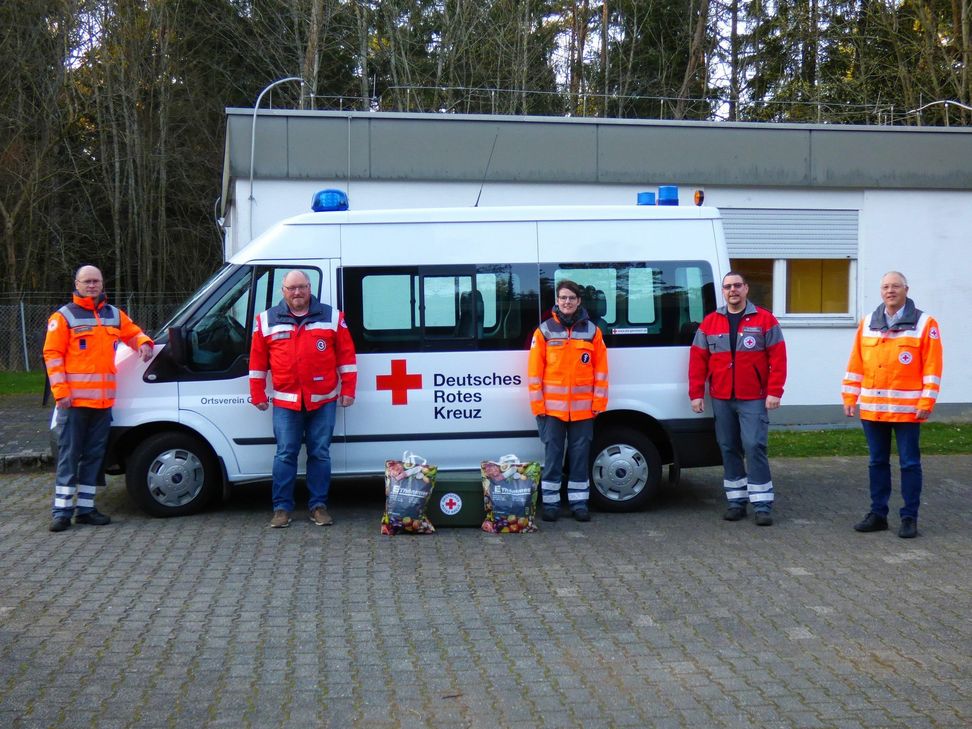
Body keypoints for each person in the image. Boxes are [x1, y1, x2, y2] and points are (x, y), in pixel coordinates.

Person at [43, 265, 154, 532]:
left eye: (96, 281)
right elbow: (52, 355)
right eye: (87, 281)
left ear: (102, 284)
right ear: (77, 284)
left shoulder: (113, 315)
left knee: (94, 458)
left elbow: (132, 332)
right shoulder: (64, 317)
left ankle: (86, 509)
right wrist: (61, 394)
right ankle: (61, 511)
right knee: (70, 458)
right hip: (74, 404)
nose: (92, 286)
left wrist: (144, 343)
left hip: (103, 404)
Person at [249, 270, 357, 528]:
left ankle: (318, 506)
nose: (297, 292)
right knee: (285, 454)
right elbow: (257, 361)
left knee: (320, 454)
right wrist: (257, 393)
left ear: (310, 288)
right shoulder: (266, 320)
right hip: (287, 402)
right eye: (291, 288)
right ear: (282, 291)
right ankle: (281, 509)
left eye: (302, 287)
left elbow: (346, 356)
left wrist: (349, 390)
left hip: (323, 400)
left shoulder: (332, 317)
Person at [842, 272, 943, 539]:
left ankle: (909, 517)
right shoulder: (867, 324)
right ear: (881, 291)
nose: (890, 291)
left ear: (906, 290)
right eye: (885, 287)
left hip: (908, 410)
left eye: (895, 286)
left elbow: (932, 368)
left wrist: (927, 401)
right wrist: (849, 397)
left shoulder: (924, 323)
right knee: (877, 463)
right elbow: (856, 364)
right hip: (873, 410)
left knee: (909, 464)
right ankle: (878, 514)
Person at [688, 271, 787, 526]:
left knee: (754, 446)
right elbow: (697, 360)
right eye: (728, 286)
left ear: (746, 289)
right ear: (723, 291)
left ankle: (762, 504)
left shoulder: (765, 320)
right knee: (728, 448)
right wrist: (696, 394)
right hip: (721, 397)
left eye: (737, 286)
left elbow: (778, 359)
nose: (733, 290)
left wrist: (775, 391)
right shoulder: (710, 322)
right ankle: (736, 501)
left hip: (753, 396)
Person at [528, 280, 608, 522]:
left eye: (571, 298)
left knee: (580, 456)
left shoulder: (593, 332)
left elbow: (601, 372)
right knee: (552, 457)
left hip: (584, 410)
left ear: (579, 301)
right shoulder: (544, 331)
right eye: (563, 298)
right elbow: (534, 373)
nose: (567, 302)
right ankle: (551, 504)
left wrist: (598, 404)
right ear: (557, 300)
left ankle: (579, 503)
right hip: (552, 410)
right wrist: (538, 406)